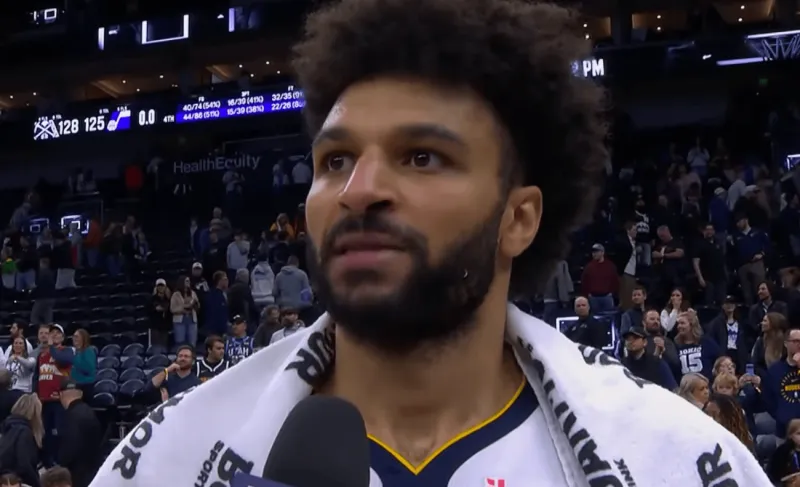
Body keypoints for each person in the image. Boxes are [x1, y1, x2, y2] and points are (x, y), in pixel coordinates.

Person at [90, 0, 768, 485]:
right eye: (335, 160)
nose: (358, 190)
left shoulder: (675, 461)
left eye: (421, 157)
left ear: (519, 218)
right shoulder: (167, 458)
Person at [35, 324, 73, 468]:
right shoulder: (42, 355)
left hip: (59, 400)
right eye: (52, 333)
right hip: (44, 400)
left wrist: (51, 347)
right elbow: (37, 377)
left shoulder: (67, 351)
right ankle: (47, 464)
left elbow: (62, 360)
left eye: (58, 333)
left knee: (60, 433)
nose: (54, 335)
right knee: (46, 434)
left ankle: (61, 462)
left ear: (63, 337)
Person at [58, 380, 102, 487]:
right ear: (81, 394)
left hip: (76, 476)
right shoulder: (90, 412)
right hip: (93, 472)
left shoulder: (70, 416)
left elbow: (69, 449)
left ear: (61, 395)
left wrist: (60, 464)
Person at [0, 394, 44, 487]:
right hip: (17, 481)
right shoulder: (25, 432)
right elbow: (24, 463)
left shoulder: (8, 428)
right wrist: (37, 483)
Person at [619, 326, 677, 391]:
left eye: (635, 338)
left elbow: (672, 388)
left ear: (645, 342)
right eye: (628, 339)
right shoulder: (621, 365)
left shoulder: (657, 363)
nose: (631, 342)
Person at [169, 276, 199, 348]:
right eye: (186, 281)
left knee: (192, 342)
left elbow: (198, 305)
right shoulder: (176, 294)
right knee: (180, 342)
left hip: (192, 320)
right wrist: (183, 308)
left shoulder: (193, 293)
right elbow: (172, 309)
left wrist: (195, 305)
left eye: (189, 281)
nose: (188, 283)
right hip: (180, 321)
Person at [69, 330, 96, 399]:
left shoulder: (88, 350)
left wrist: (73, 360)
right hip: (76, 385)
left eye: (76, 337)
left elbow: (88, 369)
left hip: (86, 386)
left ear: (83, 338)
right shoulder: (76, 352)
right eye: (73, 336)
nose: (74, 338)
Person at [148, 279, 172, 349]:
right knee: (155, 346)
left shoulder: (168, 300)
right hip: (154, 326)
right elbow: (149, 310)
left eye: (162, 286)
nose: (161, 288)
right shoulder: (152, 299)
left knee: (164, 346)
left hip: (164, 327)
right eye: (159, 286)